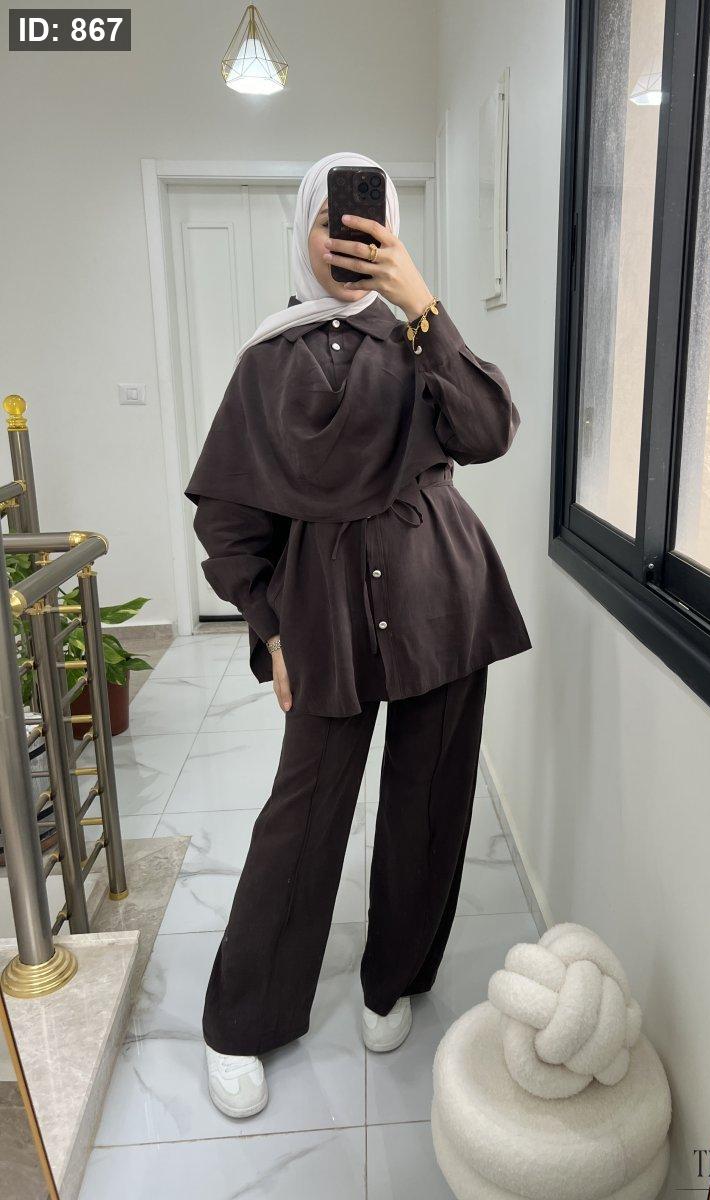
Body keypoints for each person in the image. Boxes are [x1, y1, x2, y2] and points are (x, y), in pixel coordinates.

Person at [183, 149, 532, 1119]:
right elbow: (228, 517)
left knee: (429, 800)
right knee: (301, 816)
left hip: (440, 596)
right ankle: (243, 1017)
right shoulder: (267, 361)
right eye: (331, 221)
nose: (349, 240)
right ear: (305, 229)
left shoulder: (417, 337)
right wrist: (269, 630)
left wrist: (422, 303)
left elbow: (489, 429)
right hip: (323, 616)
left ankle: (395, 978)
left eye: (369, 223)